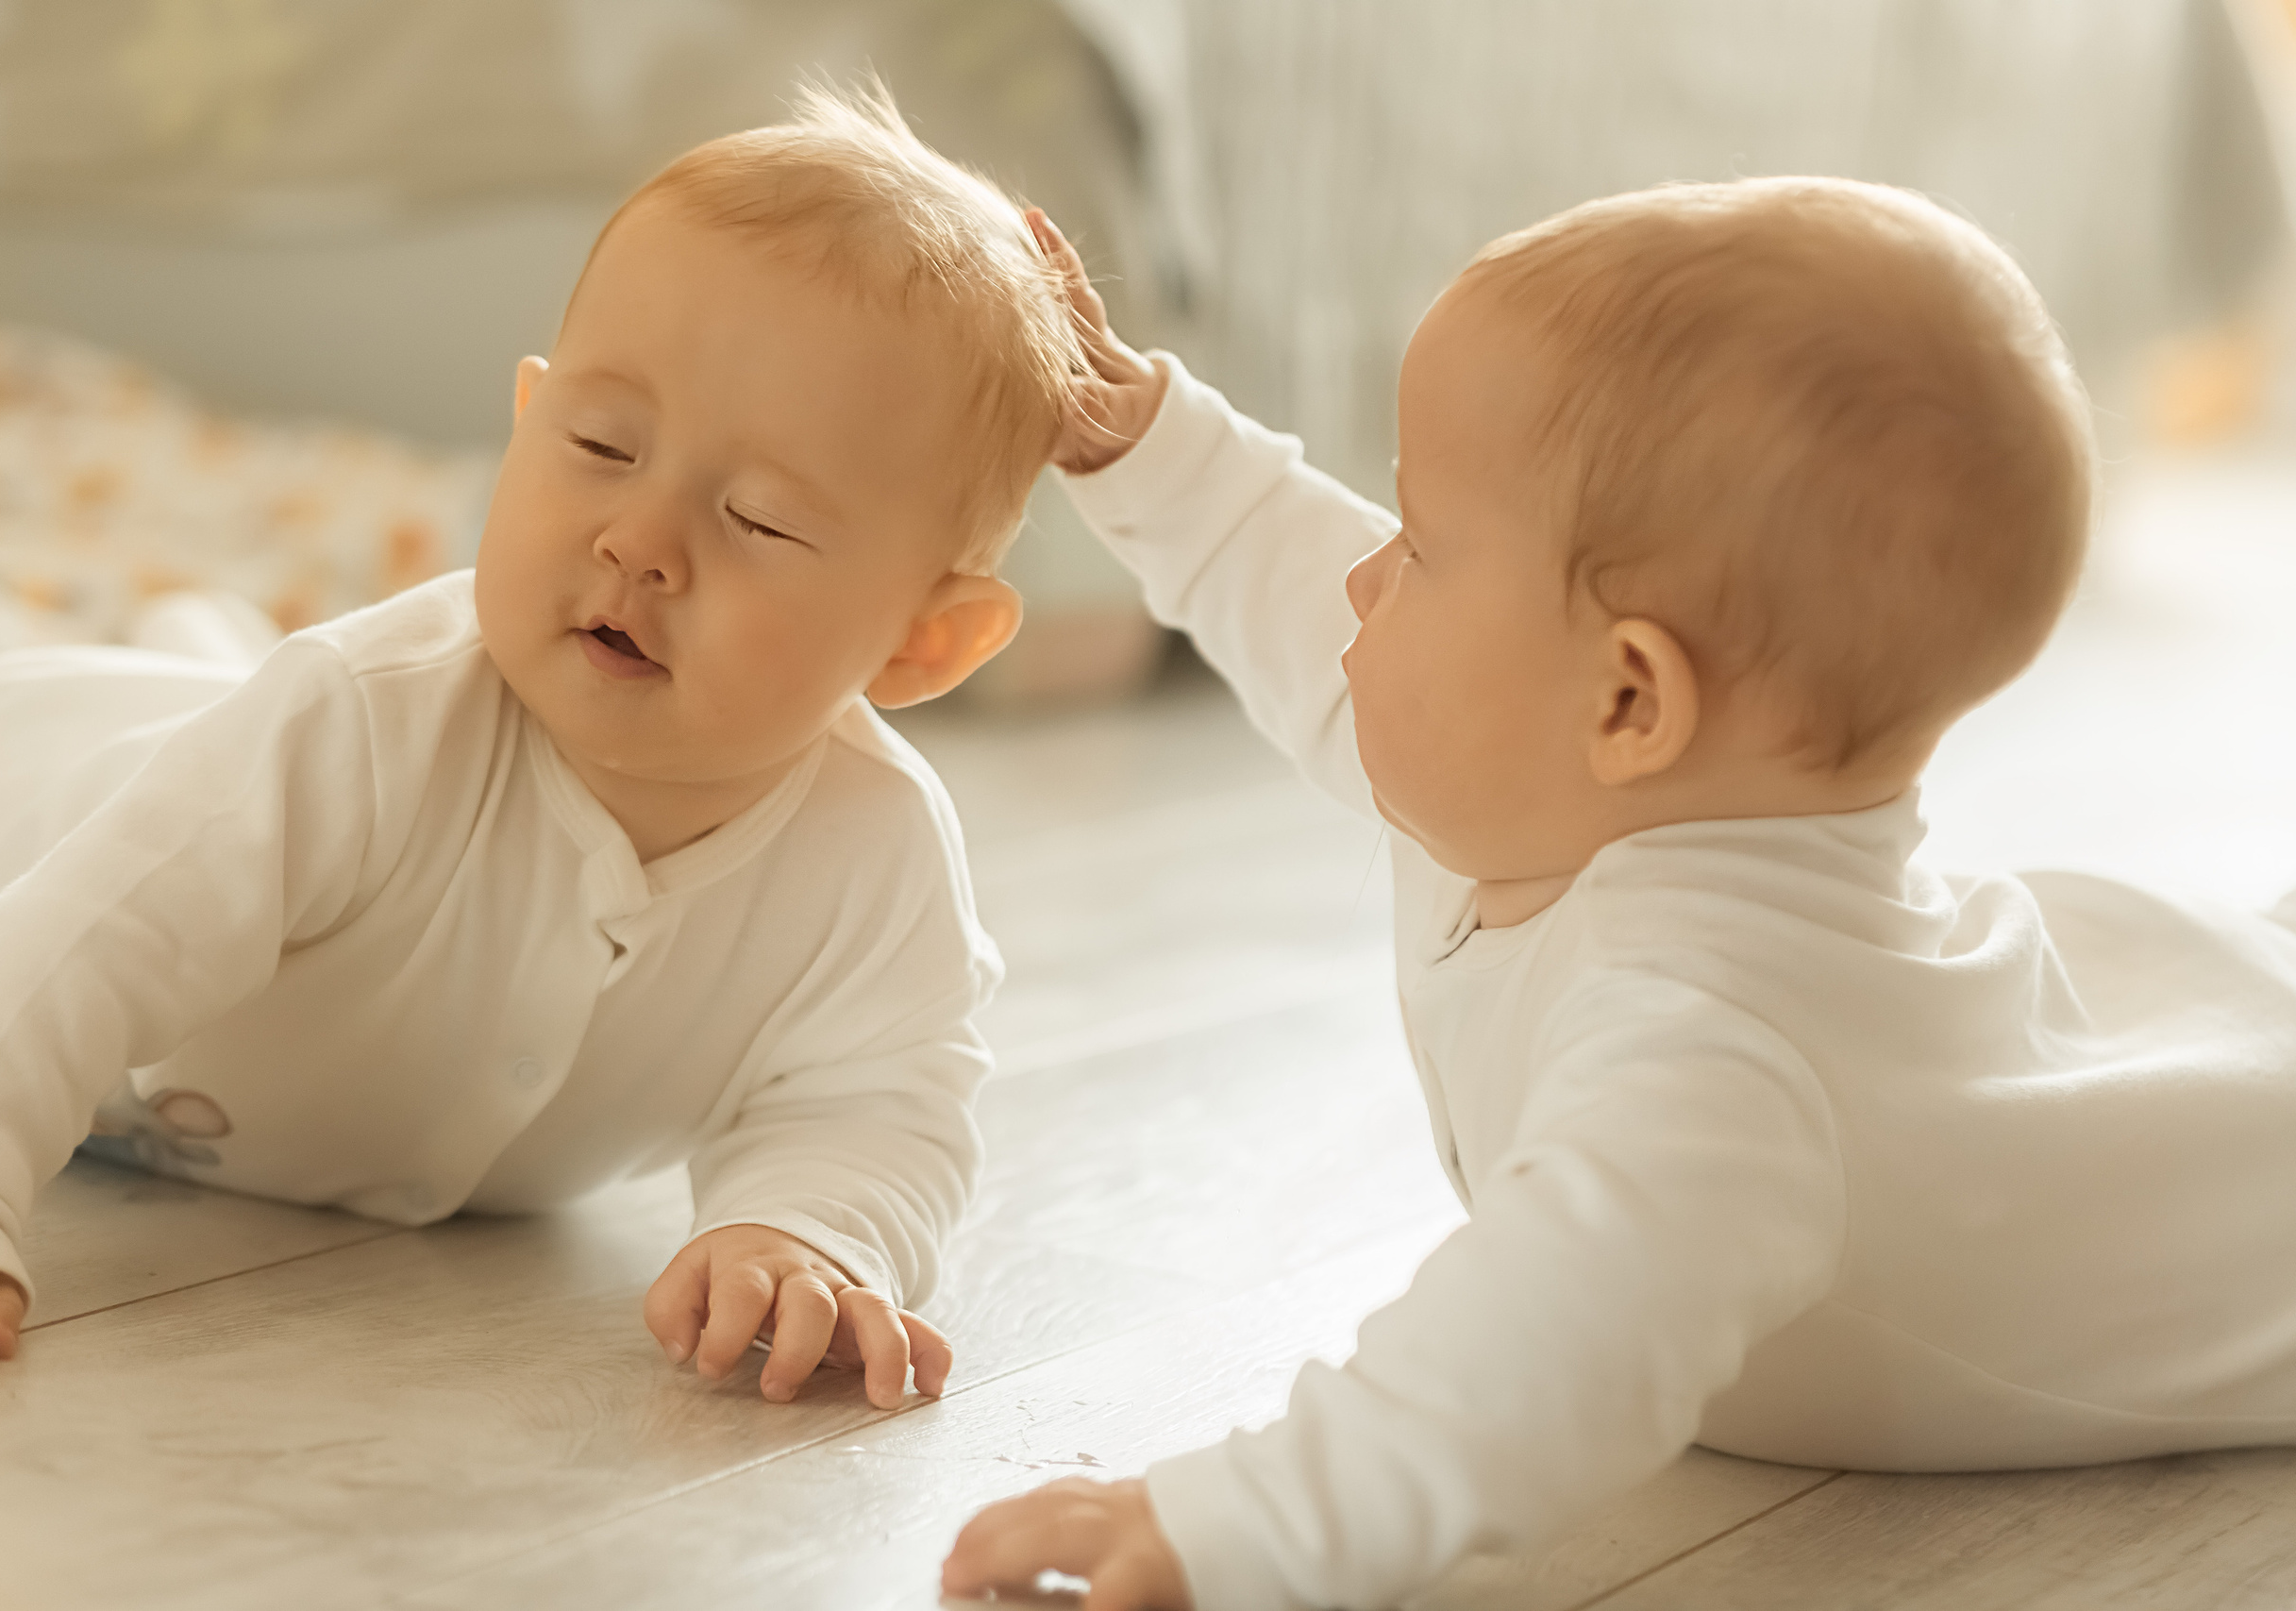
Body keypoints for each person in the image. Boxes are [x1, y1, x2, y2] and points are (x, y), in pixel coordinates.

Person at [943, 183, 2296, 1609]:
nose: (1360, 585)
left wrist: (1250, 1521)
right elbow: (1318, 621)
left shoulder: (1715, 1053)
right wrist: (1142, 447)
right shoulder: (1561, 792)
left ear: (1631, 697)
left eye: (1418, 545)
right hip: (2178, 1014)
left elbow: (1539, 1348)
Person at [0, 84, 1078, 1411]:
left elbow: (878, 1099)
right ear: (526, 424)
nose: (641, 540)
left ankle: (206, 649)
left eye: (759, 519)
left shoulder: (875, 857)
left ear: (926, 642)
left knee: (235, 729)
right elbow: (82, 942)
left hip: (216, 836)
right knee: (202, 754)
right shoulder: (372, 718)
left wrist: (807, 1232)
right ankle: (197, 656)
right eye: (601, 445)